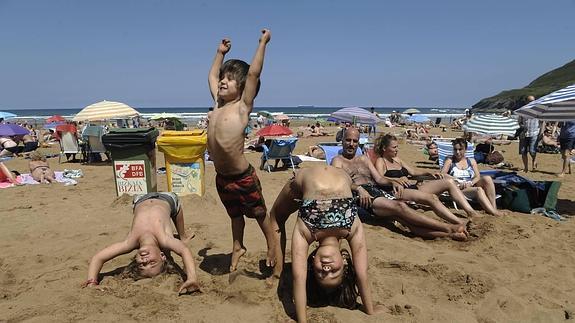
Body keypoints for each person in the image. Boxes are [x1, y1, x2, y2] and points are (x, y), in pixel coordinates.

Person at [267, 166, 377, 322]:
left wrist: (302, 320)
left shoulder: (306, 232)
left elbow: (299, 279)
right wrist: (369, 310)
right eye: (334, 273)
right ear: (345, 263)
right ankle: (278, 271)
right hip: (341, 173)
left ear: (312, 263)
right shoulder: (351, 228)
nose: (326, 269)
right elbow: (362, 274)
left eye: (321, 274)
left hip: (302, 182)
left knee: (275, 217)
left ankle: (278, 272)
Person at [207, 29, 275, 272]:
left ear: (244, 87)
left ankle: (271, 244)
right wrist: (219, 54)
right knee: (235, 216)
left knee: (258, 213)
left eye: (230, 78)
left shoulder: (242, 107)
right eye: (224, 77)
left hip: (242, 176)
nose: (223, 81)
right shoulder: (217, 104)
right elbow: (212, 75)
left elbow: (254, 72)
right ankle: (238, 246)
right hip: (222, 178)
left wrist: (262, 43)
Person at [331, 128, 469, 240]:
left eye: (355, 141)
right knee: (400, 206)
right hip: (363, 198)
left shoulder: (363, 159)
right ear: (342, 140)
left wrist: (392, 182)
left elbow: (379, 179)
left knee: (405, 220)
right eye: (348, 140)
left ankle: (450, 234)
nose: (351, 144)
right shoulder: (338, 161)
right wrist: (359, 188)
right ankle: (449, 227)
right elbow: (340, 182)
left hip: (377, 192)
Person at [85, 192, 199, 294]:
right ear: (162, 256)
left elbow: (98, 258)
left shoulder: (130, 242)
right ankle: (183, 235)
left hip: (140, 198)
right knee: (180, 235)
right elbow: (184, 251)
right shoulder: (164, 239)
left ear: (136, 260)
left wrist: (92, 282)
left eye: (142, 264)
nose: (145, 260)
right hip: (168, 198)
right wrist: (192, 278)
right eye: (152, 262)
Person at [374, 134, 479, 221]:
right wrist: (395, 180)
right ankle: (458, 222)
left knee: (449, 182)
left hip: (411, 188)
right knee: (433, 198)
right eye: (394, 147)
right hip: (399, 192)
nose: (397, 150)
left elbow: (413, 172)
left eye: (397, 147)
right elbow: (379, 179)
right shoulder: (381, 161)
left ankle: (471, 213)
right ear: (384, 148)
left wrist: (429, 172)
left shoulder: (397, 159)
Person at [441, 138, 504, 216]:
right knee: (478, 190)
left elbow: (477, 176)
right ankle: (493, 212)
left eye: (460, 149)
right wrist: (457, 180)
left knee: (487, 178)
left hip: (470, 185)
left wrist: (470, 183)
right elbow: (442, 174)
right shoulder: (450, 160)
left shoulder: (471, 161)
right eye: (455, 149)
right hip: (458, 189)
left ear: (465, 149)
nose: (457, 152)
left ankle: (494, 208)